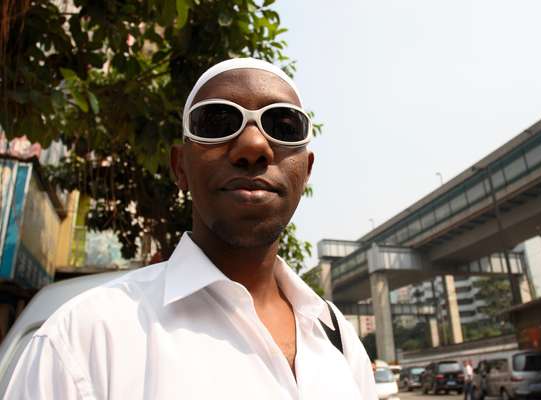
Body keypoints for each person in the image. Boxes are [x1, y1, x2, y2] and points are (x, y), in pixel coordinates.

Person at [4, 58, 377, 399]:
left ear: (306, 170)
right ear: (180, 166)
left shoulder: (339, 340)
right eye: (217, 123)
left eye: (282, 126)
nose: (253, 145)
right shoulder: (84, 337)